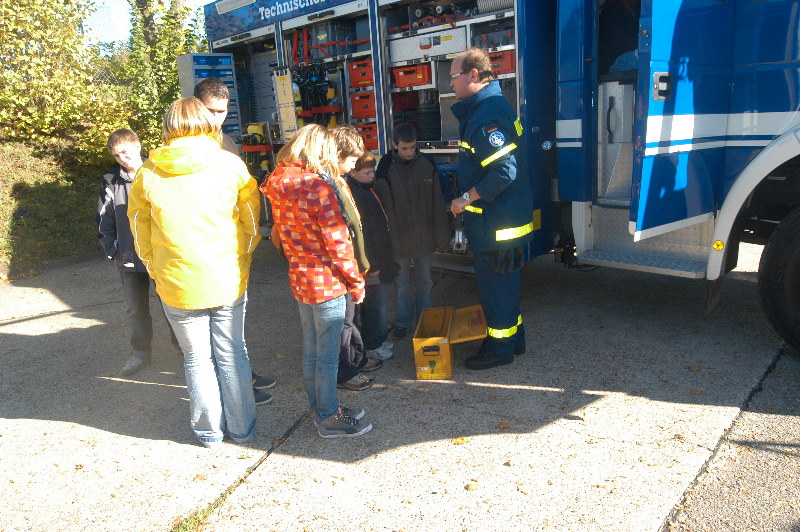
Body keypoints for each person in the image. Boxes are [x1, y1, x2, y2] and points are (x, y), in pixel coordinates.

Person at [128, 97, 261, 447]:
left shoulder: (148, 173)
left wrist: (156, 270)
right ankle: (242, 430)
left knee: (196, 359)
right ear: (207, 122)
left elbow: (140, 233)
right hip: (227, 278)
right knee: (232, 353)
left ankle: (208, 432)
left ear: (168, 126)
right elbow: (251, 222)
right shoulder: (230, 165)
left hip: (176, 284)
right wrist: (243, 259)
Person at [262, 124, 372, 438]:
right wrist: (356, 281)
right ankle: (327, 417)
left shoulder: (280, 184)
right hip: (327, 283)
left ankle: (322, 408)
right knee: (326, 356)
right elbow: (338, 244)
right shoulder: (318, 188)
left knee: (312, 351)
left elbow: (281, 237)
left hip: (301, 279)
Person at [449, 47, 534, 370]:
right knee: (505, 287)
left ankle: (499, 350)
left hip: (496, 226)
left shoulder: (486, 116)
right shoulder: (492, 106)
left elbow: (504, 172)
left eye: (454, 76)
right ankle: (515, 340)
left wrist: (465, 198)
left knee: (496, 290)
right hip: (504, 222)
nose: (451, 84)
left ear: (474, 75)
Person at [194, 76, 277, 400]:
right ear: (196, 106)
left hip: (229, 249)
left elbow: (242, 196)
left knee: (231, 328)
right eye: (211, 111)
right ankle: (234, 390)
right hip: (203, 250)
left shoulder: (226, 142)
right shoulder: (184, 145)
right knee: (212, 330)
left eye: (222, 111)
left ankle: (240, 374)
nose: (217, 118)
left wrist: (247, 242)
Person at [96, 128, 178, 376]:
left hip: (161, 252)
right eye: (116, 155)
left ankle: (185, 349)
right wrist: (114, 250)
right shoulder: (111, 181)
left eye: (125, 151)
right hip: (129, 255)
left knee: (173, 304)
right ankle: (141, 354)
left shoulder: (158, 171)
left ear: (137, 146)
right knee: (136, 309)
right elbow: (104, 220)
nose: (122, 158)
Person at [374, 123, 450, 340]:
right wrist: (386, 241)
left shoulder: (427, 163)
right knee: (402, 284)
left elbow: (437, 202)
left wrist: (441, 235)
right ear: (394, 145)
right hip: (398, 239)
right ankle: (402, 323)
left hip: (424, 237)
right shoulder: (385, 167)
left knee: (425, 282)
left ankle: (425, 321)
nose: (409, 153)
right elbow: (382, 209)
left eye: (413, 147)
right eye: (404, 148)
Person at [330, 126, 383, 392]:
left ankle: (355, 362)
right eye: (352, 159)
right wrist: (355, 271)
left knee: (349, 320)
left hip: (350, 267)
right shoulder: (328, 185)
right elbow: (340, 235)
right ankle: (345, 372)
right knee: (343, 323)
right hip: (339, 271)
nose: (354, 164)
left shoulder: (338, 181)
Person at [347, 151, 399, 361]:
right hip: (371, 262)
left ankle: (374, 338)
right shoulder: (357, 195)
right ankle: (374, 345)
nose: (372, 176)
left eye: (373, 171)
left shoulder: (367, 189)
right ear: (353, 172)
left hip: (376, 257)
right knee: (375, 305)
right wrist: (373, 264)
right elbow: (365, 234)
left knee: (373, 305)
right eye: (367, 173)